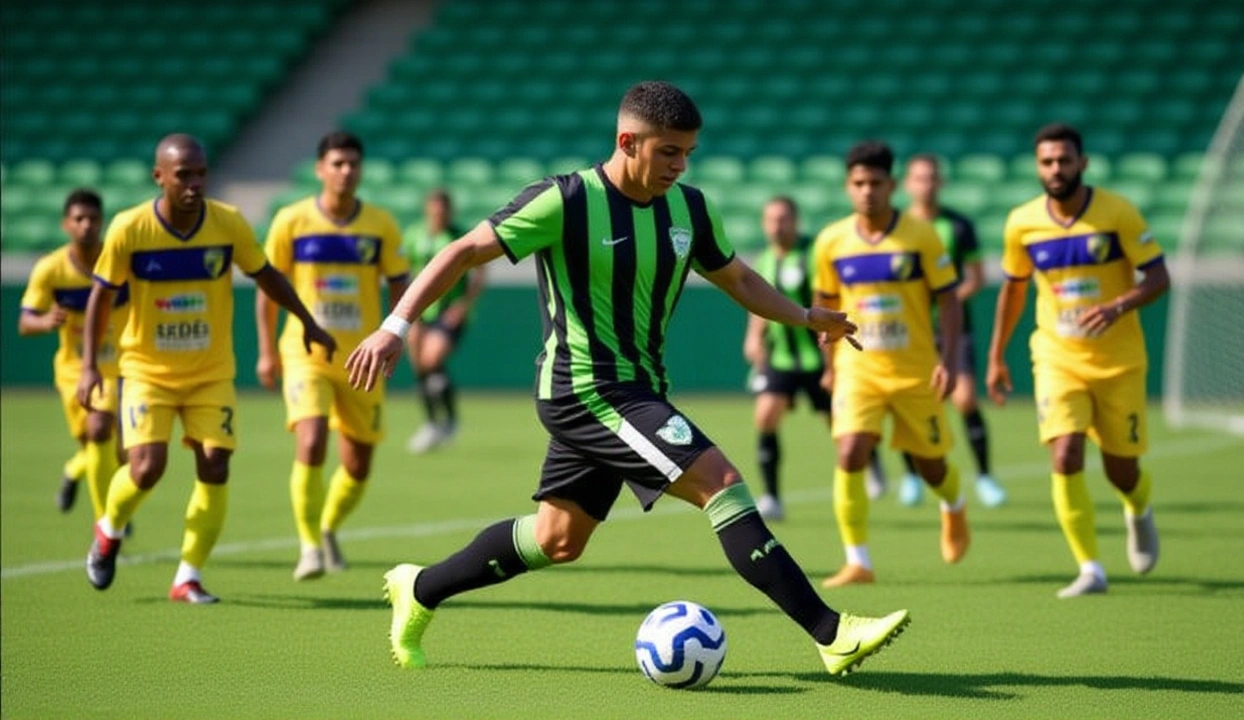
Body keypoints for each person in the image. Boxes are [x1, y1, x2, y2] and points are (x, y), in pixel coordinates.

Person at [345, 81, 910, 674]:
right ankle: (831, 632)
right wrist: (396, 326)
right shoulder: (564, 201)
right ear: (627, 141)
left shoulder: (690, 208)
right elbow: (461, 252)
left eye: (688, 152)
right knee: (722, 481)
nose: (680, 165)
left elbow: (738, 279)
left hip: (636, 390)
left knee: (558, 539)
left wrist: (802, 315)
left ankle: (421, 587)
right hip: (584, 389)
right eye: (669, 151)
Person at [79, 134, 336, 603]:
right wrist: (89, 367)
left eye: (201, 173)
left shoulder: (227, 223)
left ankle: (188, 576)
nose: (195, 183)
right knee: (146, 467)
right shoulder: (129, 228)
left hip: (211, 373)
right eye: (184, 175)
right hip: (146, 371)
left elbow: (267, 275)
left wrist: (307, 322)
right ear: (160, 177)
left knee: (215, 466)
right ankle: (108, 529)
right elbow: (100, 294)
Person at [987, 123, 1168, 598]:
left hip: (1119, 361)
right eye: (1047, 161)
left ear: (1082, 163)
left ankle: (1138, 507)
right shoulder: (1022, 222)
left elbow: (1158, 277)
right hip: (1056, 356)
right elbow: (1013, 288)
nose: (1056, 169)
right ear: (1037, 166)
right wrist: (996, 356)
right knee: (1065, 453)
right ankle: (1090, 568)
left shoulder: (1117, 213)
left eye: (1065, 160)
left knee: (1120, 469)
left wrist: (1117, 306)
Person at [812, 141, 972, 587]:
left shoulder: (921, 235)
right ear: (848, 186)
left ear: (893, 186)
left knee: (931, 466)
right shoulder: (831, 241)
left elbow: (949, 298)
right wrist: (828, 364)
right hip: (857, 370)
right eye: (859, 184)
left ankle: (954, 504)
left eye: (876, 183)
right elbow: (824, 303)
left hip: (915, 370)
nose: (867, 192)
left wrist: (949, 359)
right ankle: (858, 561)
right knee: (850, 452)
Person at [256, 132, 409, 581]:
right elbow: (269, 290)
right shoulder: (292, 220)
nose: (346, 171)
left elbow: (400, 284)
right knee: (311, 440)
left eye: (353, 164)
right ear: (320, 169)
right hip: (306, 352)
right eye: (338, 163)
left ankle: (326, 527)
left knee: (358, 463)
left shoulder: (380, 225)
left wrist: (396, 333)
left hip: (361, 357)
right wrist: (267, 351)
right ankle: (308, 547)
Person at [890, 154, 1007, 508]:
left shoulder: (958, 226)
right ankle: (912, 475)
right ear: (907, 184)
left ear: (941, 183)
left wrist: (946, 299)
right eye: (919, 178)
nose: (925, 185)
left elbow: (976, 278)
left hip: (955, 327)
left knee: (965, 399)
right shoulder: (895, 228)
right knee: (909, 404)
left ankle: (985, 476)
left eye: (931, 178)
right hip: (909, 333)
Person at [19, 189, 126, 518]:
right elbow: (24, 322)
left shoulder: (120, 262)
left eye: (93, 219)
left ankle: (105, 526)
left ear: (102, 222)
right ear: (66, 224)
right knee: (96, 442)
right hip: (74, 370)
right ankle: (92, 495)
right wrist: (44, 321)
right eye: (79, 219)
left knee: (118, 451)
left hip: (119, 367)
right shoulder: (51, 269)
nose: (87, 225)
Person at [741, 196, 831, 521]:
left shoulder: (814, 254)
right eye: (771, 220)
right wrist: (753, 337)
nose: (777, 226)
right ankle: (772, 498)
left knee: (840, 426)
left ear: (796, 221)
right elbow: (760, 306)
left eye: (783, 219)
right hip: (781, 358)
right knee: (765, 418)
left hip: (819, 358)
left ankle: (871, 464)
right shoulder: (764, 260)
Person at [403, 188, 484, 454]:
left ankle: (449, 421)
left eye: (443, 210)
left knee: (432, 359)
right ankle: (431, 423)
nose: (439, 215)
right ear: (428, 210)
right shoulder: (415, 235)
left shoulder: (459, 235)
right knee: (420, 367)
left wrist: (463, 305)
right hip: (421, 313)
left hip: (449, 312)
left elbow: (479, 273)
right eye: (435, 210)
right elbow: (407, 272)